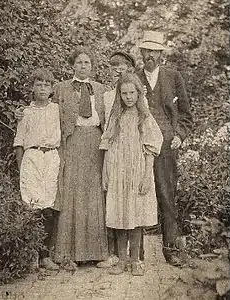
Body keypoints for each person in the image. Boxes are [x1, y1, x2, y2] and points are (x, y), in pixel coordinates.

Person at [137, 31, 193, 266]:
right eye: (146, 51)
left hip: (167, 146)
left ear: (161, 54)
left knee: (167, 195)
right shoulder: (133, 78)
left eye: (154, 51)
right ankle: (135, 254)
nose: (150, 55)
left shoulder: (173, 77)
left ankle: (170, 249)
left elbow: (187, 116)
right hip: (138, 145)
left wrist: (179, 135)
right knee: (136, 194)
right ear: (141, 53)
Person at [100, 72, 163, 276]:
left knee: (135, 215)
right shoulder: (115, 117)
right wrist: (106, 172)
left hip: (137, 171)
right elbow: (108, 146)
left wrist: (146, 176)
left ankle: (135, 260)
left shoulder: (144, 117)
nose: (128, 97)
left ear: (138, 94)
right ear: (119, 94)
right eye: (124, 93)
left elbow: (151, 148)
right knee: (119, 214)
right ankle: (122, 260)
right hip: (118, 171)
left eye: (132, 93)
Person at [52, 47, 108, 267]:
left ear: (92, 66)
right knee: (72, 193)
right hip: (73, 141)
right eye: (79, 62)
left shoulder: (102, 89)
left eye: (87, 62)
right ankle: (67, 254)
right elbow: (44, 108)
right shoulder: (60, 88)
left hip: (96, 142)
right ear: (72, 65)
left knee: (94, 193)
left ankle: (96, 253)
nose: (83, 66)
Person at [13, 68, 61, 270]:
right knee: (32, 206)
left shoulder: (57, 109)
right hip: (31, 159)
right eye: (39, 84)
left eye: (46, 85)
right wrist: (21, 167)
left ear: (51, 89)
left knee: (49, 206)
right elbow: (19, 142)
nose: (42, 88)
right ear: (32, 88)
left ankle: (45, 256)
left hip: (51, 157)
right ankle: (31, 255)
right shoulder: (26, 112)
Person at [97, 51, 136, 269]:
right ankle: (115, 253)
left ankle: (136, 256)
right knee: (113, 200)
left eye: (123, 66)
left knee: (134, 201)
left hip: (133, 153)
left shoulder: (136, 93)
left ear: (130, 69)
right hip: (112, 151)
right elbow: (104, 126)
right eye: (114, 67)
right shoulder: (107, 95)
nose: (118, 70)